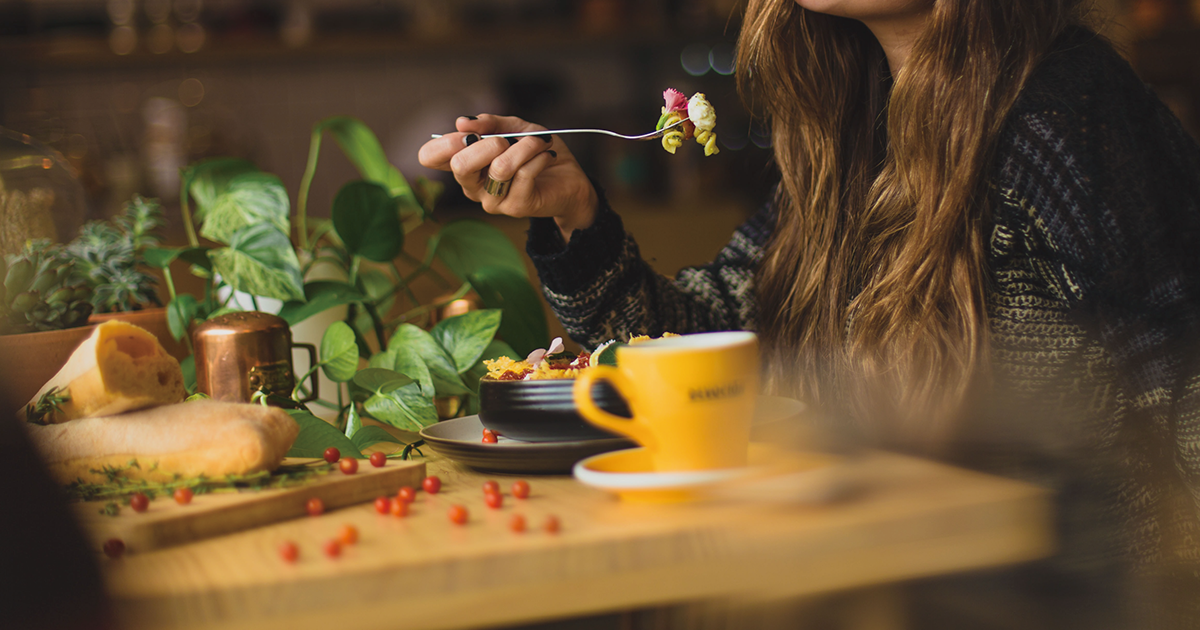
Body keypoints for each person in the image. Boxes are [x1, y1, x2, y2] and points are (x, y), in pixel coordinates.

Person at [420, 0, 1200, 626]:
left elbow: (1184, 372)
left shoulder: (1064, 105)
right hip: (877, 582)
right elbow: (713, 350)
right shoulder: (855, 126)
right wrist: (575, 217)